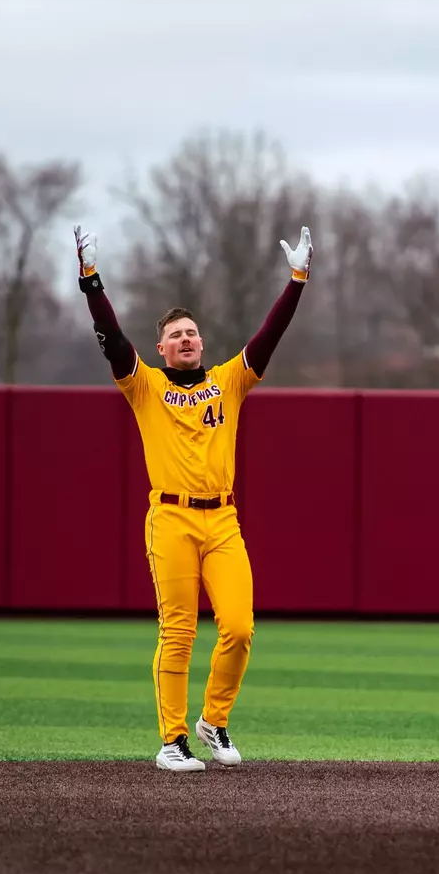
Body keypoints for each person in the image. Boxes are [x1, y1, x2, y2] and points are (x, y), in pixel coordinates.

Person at [74, 223, 313, 772]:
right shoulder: (145, 386)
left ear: (202, 343)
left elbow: (269, 337)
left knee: (239, 628)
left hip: (222, 521)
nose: (185, 339)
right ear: (160, 348)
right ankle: (172, 741)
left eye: (192, 333)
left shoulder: (229, 382)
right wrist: (91, 279)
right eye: (175, 335)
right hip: (171, 519)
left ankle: (214, 721)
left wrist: (297, 280)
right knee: (178, 631)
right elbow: (112, 337)